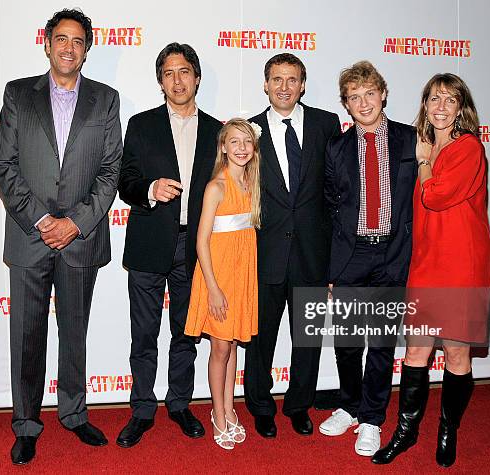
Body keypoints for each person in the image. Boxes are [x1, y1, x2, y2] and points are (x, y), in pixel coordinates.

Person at [0, 8, 122, 465]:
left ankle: (73, 411)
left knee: (75, 333)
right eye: (61, 39)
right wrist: (43, 220)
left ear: (88, 48)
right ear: (46, 44)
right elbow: (3, 165)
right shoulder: (18, 95)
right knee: (26, 336)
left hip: (81, 239)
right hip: (30, 236)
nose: (69, 48)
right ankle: (26, 424)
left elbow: (109, 172)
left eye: (78, 41)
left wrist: (75, 223)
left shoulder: (105, 100)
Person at [372, 73, 490, 467]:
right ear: (424, 105)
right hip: (425, 263)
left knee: (457, 357)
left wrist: (425, 161)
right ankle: (405, 433)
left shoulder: (468, 148)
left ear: (461, 108)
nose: (440, 107)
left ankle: (447, 429)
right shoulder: (421, 144)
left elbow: (436, 196)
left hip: (461, 265)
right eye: (434, 99)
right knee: (416, 353)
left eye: (449, 100)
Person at [116, 42, 223, 448]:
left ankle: (180, 404)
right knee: (143, 334)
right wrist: (149, 188)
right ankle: (142, 409)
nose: (177, 80)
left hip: (195, 249)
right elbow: (124, 182)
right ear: (160, 81)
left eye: (184, 72)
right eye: (169, 73)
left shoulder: (217, 130)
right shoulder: (141, 125)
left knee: (186, 333)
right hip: (148, 244)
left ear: (196, 77)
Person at [322, 61, 417, 457]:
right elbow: (330, 206)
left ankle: (373, 419)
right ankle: (349, 404)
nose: (363, 103)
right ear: (346, 104)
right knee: (346, 341)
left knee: (380, 343)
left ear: (383, 94)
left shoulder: (411, 140)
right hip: (351, 255)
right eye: (354, 97)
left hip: (393, 254)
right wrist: (331, 267)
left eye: (369, 94)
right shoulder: (337, 147)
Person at [244, 53, 340, 438]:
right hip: (264, 256)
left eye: (292, 79)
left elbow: (336, 194)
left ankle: (299, 405)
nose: (284, 87)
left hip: (313, 256)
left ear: (303, 84)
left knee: (308, 339)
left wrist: (334, 262)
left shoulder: (326, 124)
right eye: (277, 79)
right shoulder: (248, 131)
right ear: (265, 85)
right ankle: (261, 407)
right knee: (260, 340)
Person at [185, 118, 261, 449]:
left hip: (242, 275)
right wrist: (213, 288)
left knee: (232, 345)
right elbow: (201, 241)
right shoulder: (216, 186)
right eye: (235, 142)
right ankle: (217, 413)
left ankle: (230, 409)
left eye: (247, 142)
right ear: (223, 147)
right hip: (217, 277)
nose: (241, 148)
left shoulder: (252, 184)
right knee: (219, 347)